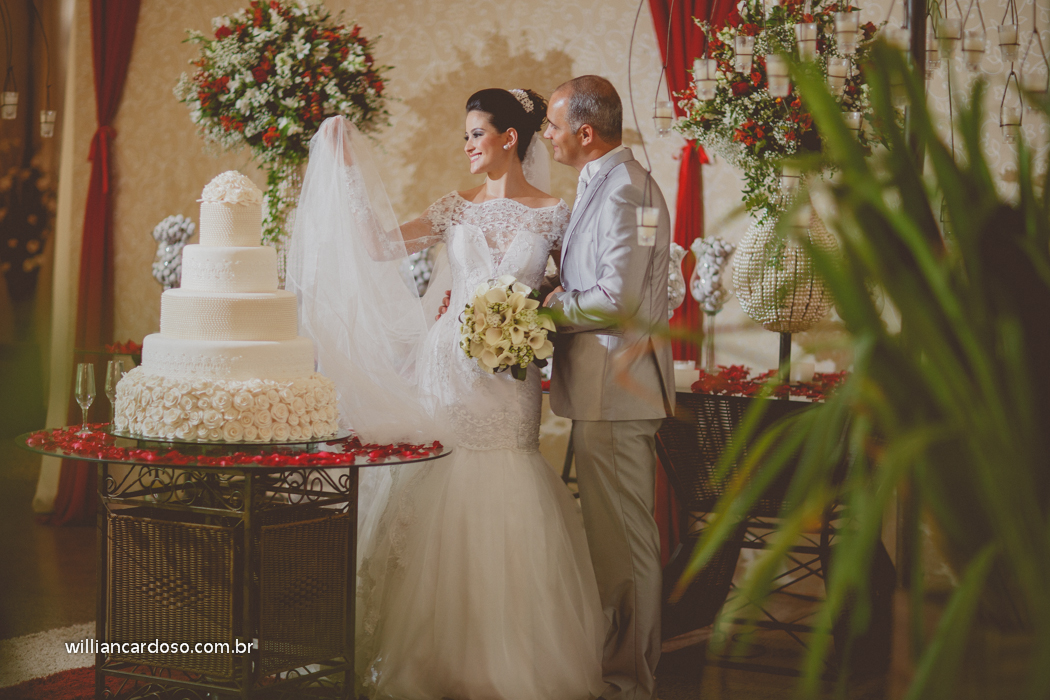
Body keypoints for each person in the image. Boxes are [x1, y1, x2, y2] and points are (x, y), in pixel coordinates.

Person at [288, 88, 604, 700]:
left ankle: (505, 660)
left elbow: (575, 288)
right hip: (446, 370)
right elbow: (380, 245)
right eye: (465, 135)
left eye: (476, 134)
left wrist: (534, 322)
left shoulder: (555, 213)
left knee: (506, 478)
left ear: (509, 139)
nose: (466, 146)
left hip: (509, 380)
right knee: (439, 483)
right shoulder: (454, 208)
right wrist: (346, 172)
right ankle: (428, 656)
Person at [543, 75, 675, 700]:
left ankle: (629, 682)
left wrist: (545, 308)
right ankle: (622, 670)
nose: (547, 134)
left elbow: (615, 301)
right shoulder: (616, 183)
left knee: (624, 544)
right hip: (608, 390)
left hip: (618, 390)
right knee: (614, 541)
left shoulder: (625, 190)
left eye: (552, 124)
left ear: (585, 132)